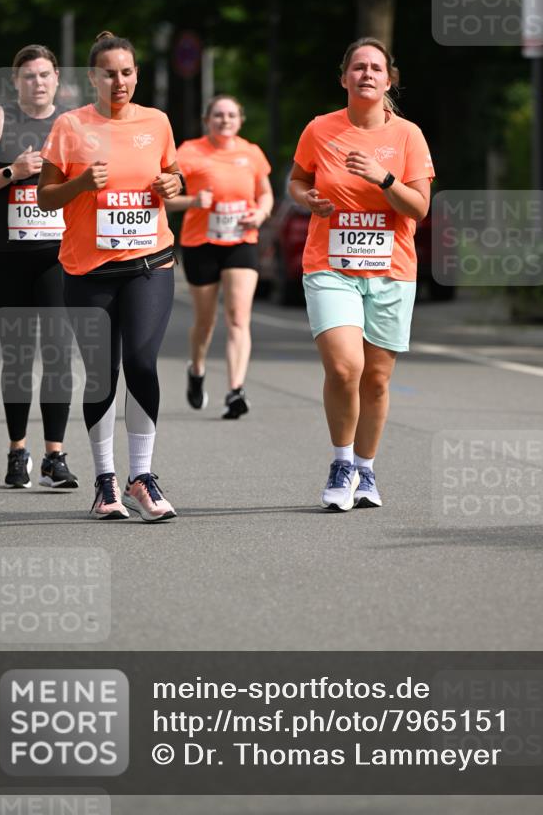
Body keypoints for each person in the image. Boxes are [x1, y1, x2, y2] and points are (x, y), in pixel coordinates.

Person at [38, 31, 183, 523]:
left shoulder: (157, 121)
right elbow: (45, 197)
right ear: (93, 78)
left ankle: (142, 476)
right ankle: (105, 483)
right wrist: (80, 182)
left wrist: (173, 183)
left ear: (136, 74)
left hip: (150, 262)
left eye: (126, 72)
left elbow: (175, 176)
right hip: (89, 270)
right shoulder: (70, 125)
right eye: (108, 73)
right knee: (102, 372)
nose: (118, 81)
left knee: (142, 361)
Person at [288, 37, 435, 511]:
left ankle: (366, 469)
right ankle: (341, 461)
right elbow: (296, 179)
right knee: (344, 366)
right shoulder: (320, 130)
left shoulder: (408, 136)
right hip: (330, 265)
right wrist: (306, 198)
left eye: (376, 68)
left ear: (388, 79)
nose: (367, 74)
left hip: (392, 269)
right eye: (358, 67)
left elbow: (420, 207)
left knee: (375, 379)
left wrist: (383, 177)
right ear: (344, 78)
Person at [0, 46, 77, 489]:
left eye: (45, 75)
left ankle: (55, 456)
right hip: (6, 255)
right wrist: (12, 172)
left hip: (58, 255)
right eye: (29, 77)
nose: (38, 83)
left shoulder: (72, 122)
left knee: (58, 352)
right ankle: (17, 450)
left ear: (57, 79)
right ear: (15, 81)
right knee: (17, 355)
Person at [166, 95, 273, 419]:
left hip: (242, 239)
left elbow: (265, 193)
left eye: (230, 115)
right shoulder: (190, 152)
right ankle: (196, 369)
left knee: (239, 317)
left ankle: (235, 390)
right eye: (218, 115)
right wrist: (194, 201)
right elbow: (167, 200)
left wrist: (261, 213)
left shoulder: (251, 153)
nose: (224, 120)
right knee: (205, 321)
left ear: (240, 120)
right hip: (202, 243)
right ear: (206, 120)